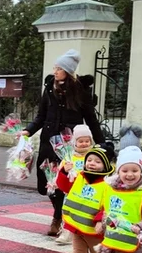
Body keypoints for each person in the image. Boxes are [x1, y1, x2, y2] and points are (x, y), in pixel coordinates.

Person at [20, 50, 103, 238]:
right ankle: (58, 212)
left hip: (68, 145)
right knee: (46, 183)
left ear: (67, 70)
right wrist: (29, 130)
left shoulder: (81, 91)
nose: (55, 71)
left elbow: (91, 119)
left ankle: (59, 217)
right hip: (48, 141)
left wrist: (102, 143)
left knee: (64, 181)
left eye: (59, 68)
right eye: (55, 68)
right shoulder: (49, 88)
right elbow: (41, 115)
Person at [55, 146, 114, 253]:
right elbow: (65, 187)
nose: (92, 163)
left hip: (94, 230)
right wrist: (64, 172)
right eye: (89, 160)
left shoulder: (107, 184)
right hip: (77, 227)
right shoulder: (79, 176)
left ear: (106, 165)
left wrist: (100, 220)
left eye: (97, 161)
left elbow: (108, 206)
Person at [55, 124, 97, 246]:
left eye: (87, 141)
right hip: (71, 191)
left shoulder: (94, 155)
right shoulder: (69, 156)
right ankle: (67, 232)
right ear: (75, 142)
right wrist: (65, 170)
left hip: (89, 191)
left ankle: (88, 231)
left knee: (87, 212)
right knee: (68, 211)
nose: (84, 143)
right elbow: (60, 170)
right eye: (81, 141)